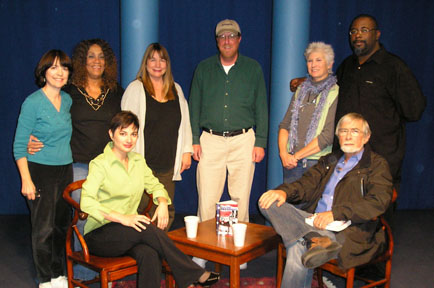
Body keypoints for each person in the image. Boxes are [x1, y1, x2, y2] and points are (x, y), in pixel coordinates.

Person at [80, 111, 219, 288]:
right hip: (100, 234)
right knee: (145, 227)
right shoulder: (100, 164)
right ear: (111, 134)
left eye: (133, 134)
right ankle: (194, 273)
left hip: (130, 230)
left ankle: (191, 275)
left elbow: (156, 185)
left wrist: (161, 202)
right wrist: (123, 218)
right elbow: (87, 202)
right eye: (123, 133)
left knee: (149, 253)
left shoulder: (138, 161)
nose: (129, 139)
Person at [259, 113, 393, 288]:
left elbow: (378, 201)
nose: (348, 136)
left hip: (348, 230)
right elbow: (306, 184)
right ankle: (313, 238)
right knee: (269, 202)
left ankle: (309, 239)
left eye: (354, 131)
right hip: (313, 222)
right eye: (343, 131)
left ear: (366, 137)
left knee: (298, 248)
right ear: (338, 136)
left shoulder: (376, 165)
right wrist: (283, 192)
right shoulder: (329, 160)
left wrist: (335, 214)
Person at [28, 38, 124, 280]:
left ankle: (106, 266)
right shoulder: (69, 91)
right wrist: (31, 136)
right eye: (91, 56)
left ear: (108, 62)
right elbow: (46, 113)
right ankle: (81, 271)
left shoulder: (116, 92)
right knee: (84, 213)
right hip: (79, 164)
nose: (96, 61)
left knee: (110, 215)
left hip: (108, 165)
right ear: (82, 61)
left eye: (101, 56)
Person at [334, 14, 426, 194]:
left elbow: (414, 110)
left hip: (381, 156)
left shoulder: (393, 67)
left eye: (364, 30)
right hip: (348, 156)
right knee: (346, 212)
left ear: (377, 34)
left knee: (378, 214)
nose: (357, 35)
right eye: (353, 31)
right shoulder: (347, 66)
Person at [189, 18, 268, 224]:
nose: (227, 40)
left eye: (231, 36)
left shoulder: (253, 69)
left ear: (239, 39)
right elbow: (193, 107)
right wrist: (194, 139)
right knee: (207, 196)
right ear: (216, 41)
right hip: (210, 140)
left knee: (241, 197)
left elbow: (261, 107)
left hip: (243, 140)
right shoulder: (203, 69)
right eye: (222, 36)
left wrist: (260, 142)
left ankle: (238, 250)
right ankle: (205, 247)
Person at [13, 50, 73, 288]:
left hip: (64, 170)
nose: (60, 73)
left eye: (64, 68)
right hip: (40, 171)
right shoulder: (32, 102)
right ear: (44, 72)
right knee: (43, 228)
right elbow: (19, 145)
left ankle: (59, 274)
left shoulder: (67, 101)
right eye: (54, 67)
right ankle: (45, 279)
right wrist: (26, 180)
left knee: (61, 226)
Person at [122, 43, 192, 230]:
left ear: (167, 64)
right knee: (142, 212)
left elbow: (185, 123)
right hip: (142, 165)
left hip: (167, 165)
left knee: (165, 213)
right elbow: (123, 127)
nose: (157, 64)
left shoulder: (176, 89)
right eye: (152, 59)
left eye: (162, 59)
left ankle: (159, 254)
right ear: (145, 64)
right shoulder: (135, 89)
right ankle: (143, 254)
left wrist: (186, 151)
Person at [278, 42, 338, 184]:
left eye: (319, 60)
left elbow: (327, 136)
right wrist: (284, 154)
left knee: (312, 207)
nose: (313, 65)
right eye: (310, 61)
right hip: (291, 164)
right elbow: (285, 125)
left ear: (329, 64)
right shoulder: (301, 90)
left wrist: (296, 156)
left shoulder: (335, 92)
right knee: (290, 206)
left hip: (316, 163)